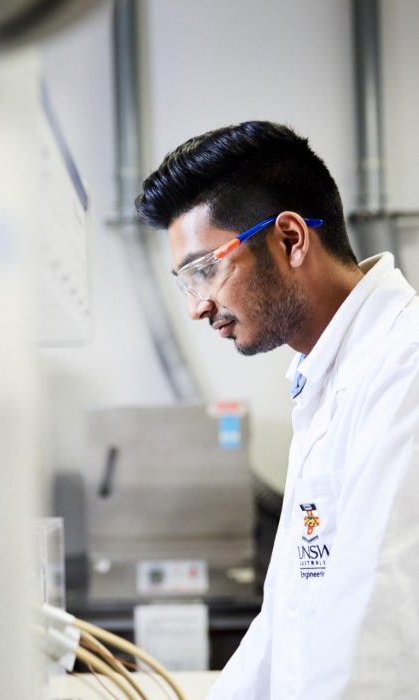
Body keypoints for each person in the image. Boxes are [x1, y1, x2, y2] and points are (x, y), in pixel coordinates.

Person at [135, 121, 419, 699]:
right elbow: (287, 618)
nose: (197, 307)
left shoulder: (403, 365)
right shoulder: (327, 376)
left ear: (291, 239)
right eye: (185, 281)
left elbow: (378, 628)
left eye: (205, 269)